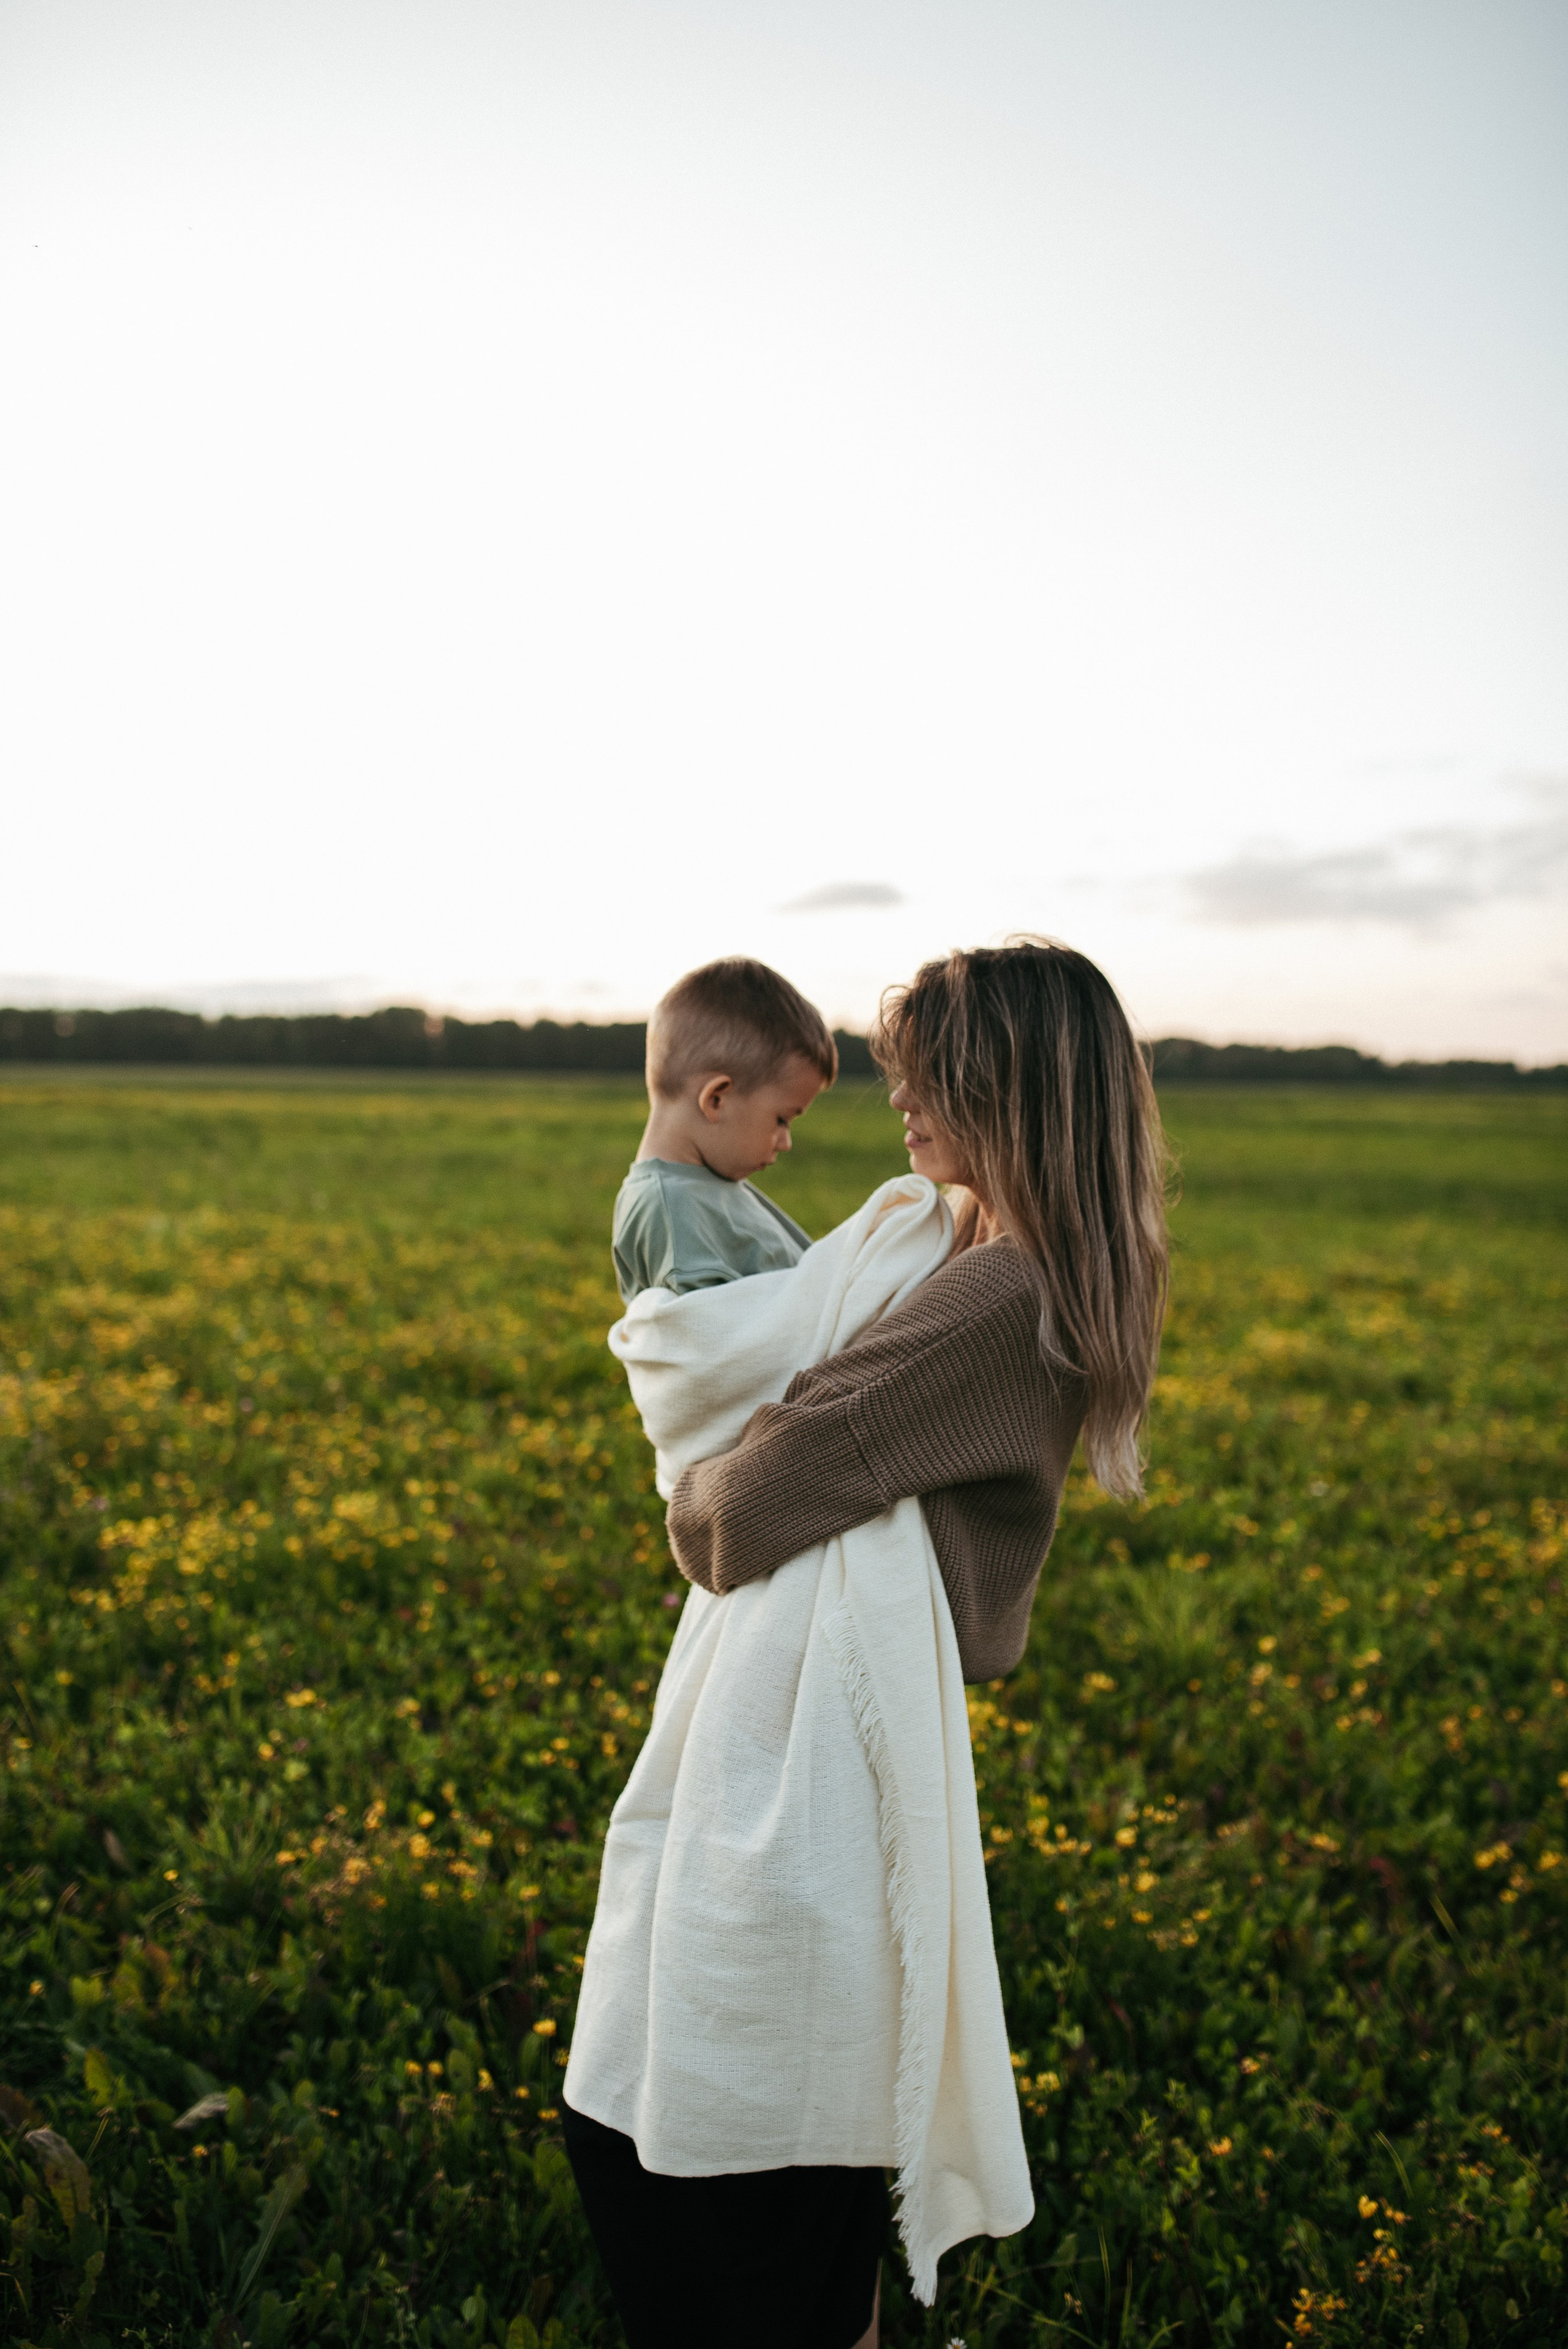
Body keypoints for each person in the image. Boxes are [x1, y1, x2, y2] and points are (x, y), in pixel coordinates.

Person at [566, 940, 1169, 2349]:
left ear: (1003, 1083)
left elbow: (751, 1495)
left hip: (813, 1740)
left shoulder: (995, 1288)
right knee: (777, 2115)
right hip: (821, 1711)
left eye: (924, 1071)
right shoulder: (985, 1254)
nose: (896, 1098)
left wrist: (697, 1472)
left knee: (744, 2124)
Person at [611, 957, 837, 1306]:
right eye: (782, 1120)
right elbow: (717, 1346)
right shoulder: (672, 1210)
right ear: (717, 1099)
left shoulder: (707, 1186)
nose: (786, 1142)